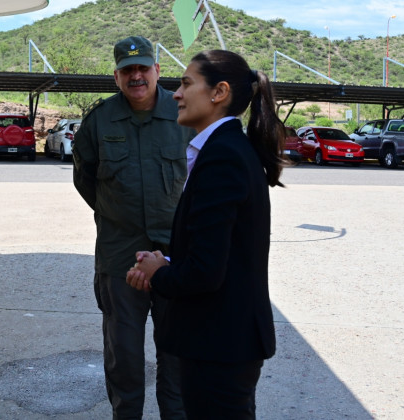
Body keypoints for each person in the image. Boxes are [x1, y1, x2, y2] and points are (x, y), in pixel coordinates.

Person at [126, 49, 283, 419]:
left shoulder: (223, 155)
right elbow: (217, 252)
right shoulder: (225, 148)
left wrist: (157, 272)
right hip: (225, 341)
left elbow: (205, 271)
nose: (176, 94)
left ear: (219, 92)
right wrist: (165, 262)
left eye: (185, 83)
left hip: (220, 344)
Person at [72, 35, 194, 420]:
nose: (136, 75)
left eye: (143, 68)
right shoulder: (99, 121)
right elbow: (85, 179)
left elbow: (204, 179)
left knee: (176, 356)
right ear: (116, 76)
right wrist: (117, 216)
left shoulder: (184, 113)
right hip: (119, 256)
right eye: (128, 70)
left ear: (157, 70)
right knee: (123, 357)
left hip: (175, 256)